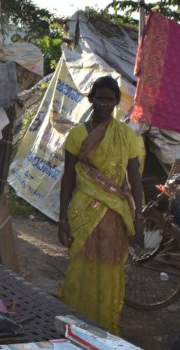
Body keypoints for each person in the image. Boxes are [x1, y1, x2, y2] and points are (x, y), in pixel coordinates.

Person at [58, 75, 144, 334]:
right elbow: (69, 176)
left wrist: (138, 216)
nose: (104, 104)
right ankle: (76, 320)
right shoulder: (76, 135)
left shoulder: (126, 136)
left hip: (115, 213)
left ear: (117, 102)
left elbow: (135, 177)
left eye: (110, 99)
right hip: (81, 209)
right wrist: (62, 218)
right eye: (100, 98)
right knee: (81, 261)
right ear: (91, 99)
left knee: (109, 264)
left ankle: (105, 322)